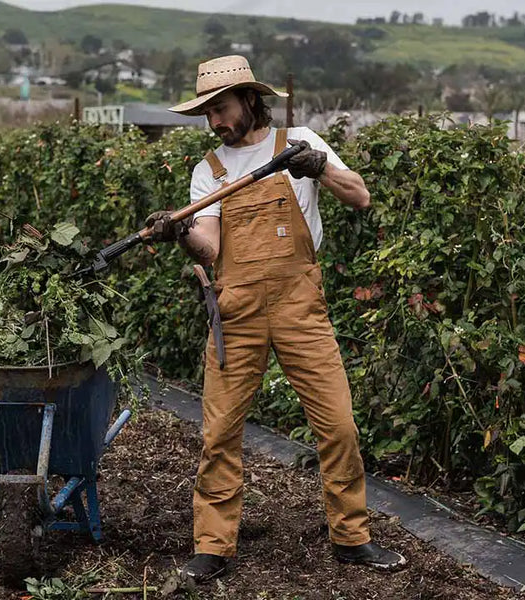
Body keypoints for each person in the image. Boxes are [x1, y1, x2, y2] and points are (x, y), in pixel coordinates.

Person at [145, 55, 407, 582]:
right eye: (209, 114)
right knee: (219, 432)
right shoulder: (209, 172)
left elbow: (360, 196)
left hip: (299, 305)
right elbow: (209, 248)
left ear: (248, 99)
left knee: (338, 426)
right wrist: (181, 235)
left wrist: (319, 167)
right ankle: (212, 546)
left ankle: (351, 537)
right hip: (236, 312)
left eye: (222, 108)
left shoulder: (299, 140)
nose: (216, 121)